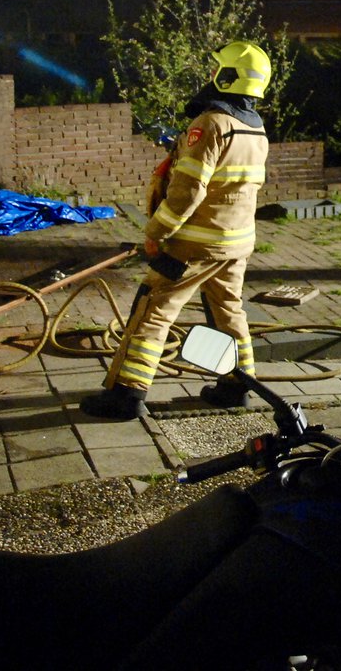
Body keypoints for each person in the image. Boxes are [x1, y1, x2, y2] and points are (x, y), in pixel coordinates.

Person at [80, 41, 273, 420]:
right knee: (228, 311)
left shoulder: (211, 124)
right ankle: (239, 386)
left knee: (153, 309)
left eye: (217, 68)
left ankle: (125, 395)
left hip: (194, 245)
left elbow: (188, 191)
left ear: (227, 76)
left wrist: (155, 232)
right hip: (236, 244)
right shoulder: (255, 129)